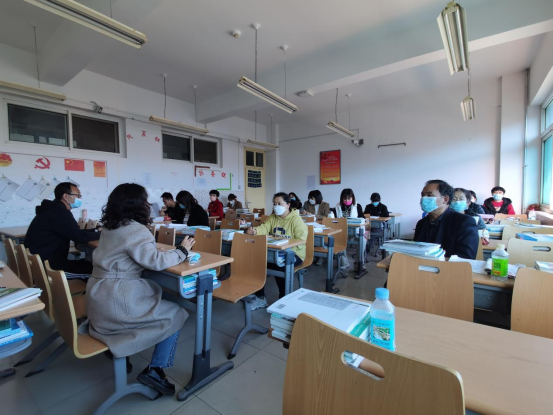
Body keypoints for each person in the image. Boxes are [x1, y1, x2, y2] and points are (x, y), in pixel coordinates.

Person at [87, 183, 195, 396]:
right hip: (116, 299)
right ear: (136, 204)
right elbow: (155, 262)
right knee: (176, 312)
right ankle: (156, 370)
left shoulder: (109, 227)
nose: (148, 204)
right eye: (145, 200)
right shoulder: (136, 229)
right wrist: (182, 250)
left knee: (158, 301)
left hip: (98, 295)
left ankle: (125, 349)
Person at [246, 192, 308, 309]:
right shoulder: (273, 217)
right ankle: (260, 297)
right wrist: (255, 231)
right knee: (258, 263)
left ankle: (283, 299)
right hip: (276, 252)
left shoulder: (296, 220)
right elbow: (265, 227)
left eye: (279, 203)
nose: (276, 206)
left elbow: (301, 240)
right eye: (274, 204)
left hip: (295, 253)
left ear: (288, 205)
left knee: (280, 265)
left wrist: (285, 247)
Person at [26, 182, 100, 277]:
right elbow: (80, 237)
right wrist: (104, 233)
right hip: (50, 268)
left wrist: (96, 231)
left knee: (90, 265)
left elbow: (73, 232)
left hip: (43, 261)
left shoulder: (53, 209)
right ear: (66, 196)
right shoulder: (59, 212)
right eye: (77, 195)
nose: (79, 198)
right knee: (99, 273)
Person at [414, 180, 479, 259]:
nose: (424, 198)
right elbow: (415, 251)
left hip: (448, 266)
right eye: (423, 195)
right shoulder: (421, 223)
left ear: (445, 199)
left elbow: (466, 257)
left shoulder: (464, 222)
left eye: (429, 195)